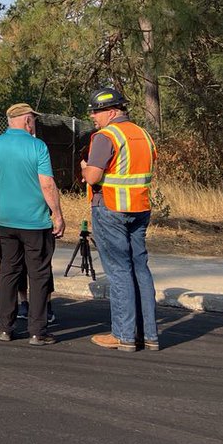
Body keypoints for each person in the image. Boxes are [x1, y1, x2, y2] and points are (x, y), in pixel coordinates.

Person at [0, 102, 65, 346]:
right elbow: (47, 183)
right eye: (33, 119)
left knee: (8, 272)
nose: (34, 123)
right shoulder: (37, 146)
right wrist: (57, 214)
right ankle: (37, 331)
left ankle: (4, 328)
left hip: (6, 220)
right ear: (27, 120)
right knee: (38, 275)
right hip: (35, 222)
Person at [79, 86, 159, 352]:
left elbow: (92, 176)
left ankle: (124, 335)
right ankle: (149, 335)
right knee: (140, 269)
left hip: (111, 208)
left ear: (112, 112)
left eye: (97, 111)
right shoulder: (143, 134)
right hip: (139, 208)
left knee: (118, 271)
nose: (93, 116)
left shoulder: (106, 136)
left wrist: (84, 168)